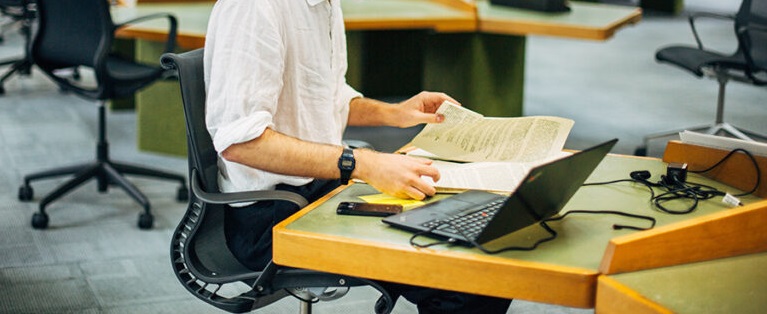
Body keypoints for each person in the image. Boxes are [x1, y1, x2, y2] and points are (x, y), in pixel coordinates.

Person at [204, 0, 511, 313]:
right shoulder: (253, 8)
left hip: (323, 189)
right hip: (270, 217)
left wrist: (396, 113)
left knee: (476, 242)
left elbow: (331, 98)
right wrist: (361, 163)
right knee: (464, 276)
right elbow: (241, 142)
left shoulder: (326, 5)